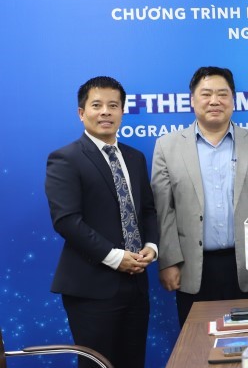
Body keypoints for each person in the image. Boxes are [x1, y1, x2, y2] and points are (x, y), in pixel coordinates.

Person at [152, 66, 248, 326]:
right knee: (197, 344)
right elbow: (163, 211)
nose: (214, 101)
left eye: (222, 94)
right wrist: (168, 262)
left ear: (233, 100)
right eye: (206, 94)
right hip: (192, 268)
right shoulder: (167, 147)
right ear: (192, 100)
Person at [45, 76, 159, 368]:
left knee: (133, 362)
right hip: (91, 288)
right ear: (81, 113)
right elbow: (67, 221)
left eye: (113, 105)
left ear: (122, 111)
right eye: (97, 105)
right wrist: (114, 257)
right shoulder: (65, 158)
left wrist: (151, 245)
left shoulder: (135, 157)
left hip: (136, 284)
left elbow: (147, 209)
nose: (105, 112)